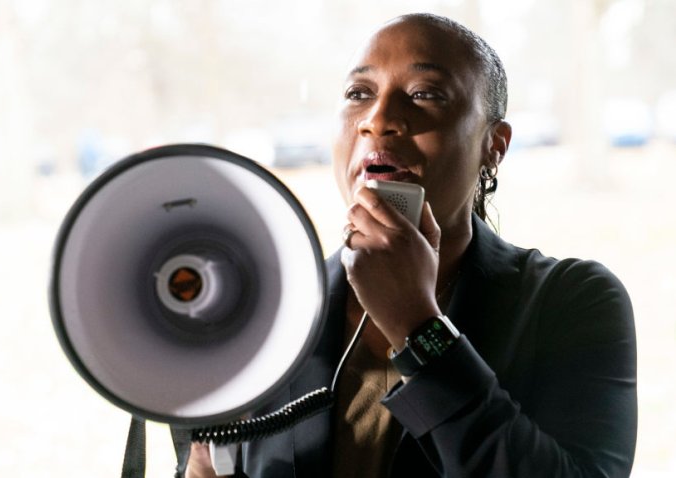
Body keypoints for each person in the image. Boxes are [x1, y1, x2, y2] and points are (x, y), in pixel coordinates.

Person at [182, 12, 637, 477]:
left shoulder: (573, 300)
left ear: (494, 145)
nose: (378, 120)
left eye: (425, 95)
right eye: (359, 94)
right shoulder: (266, 312)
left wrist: (420, 329)